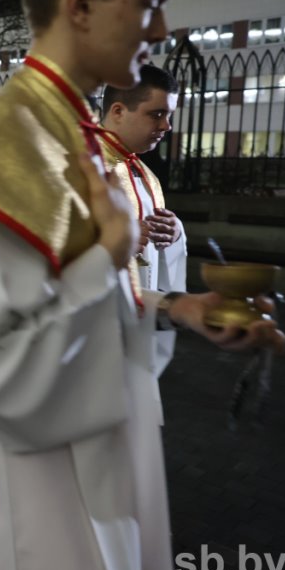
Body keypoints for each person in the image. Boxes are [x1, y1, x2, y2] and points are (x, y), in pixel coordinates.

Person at [0, 0, 285, 570]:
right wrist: (109, 253)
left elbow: (62, 302)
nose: (163, 29)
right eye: (150, 3)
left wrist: (174, 307)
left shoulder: (65, 137)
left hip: (85, 472)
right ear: (81, 3)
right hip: (31, 509)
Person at [98, 63, 187, 368]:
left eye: (169, 116)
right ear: (119, 111)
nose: (166, 126)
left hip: (136, 318)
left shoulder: (145, 174)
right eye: (157, 114)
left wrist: (175, 235)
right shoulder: (78, 166)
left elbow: (152, 257)